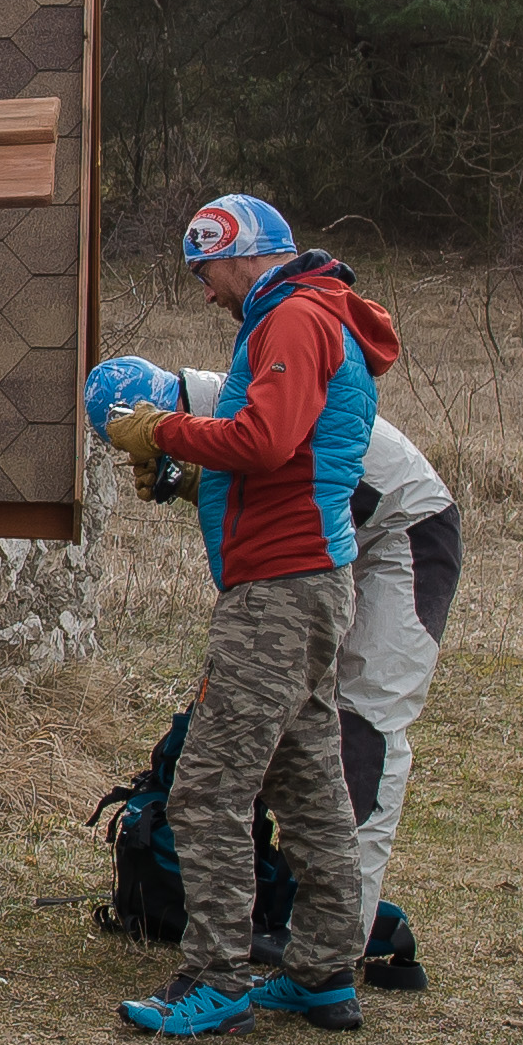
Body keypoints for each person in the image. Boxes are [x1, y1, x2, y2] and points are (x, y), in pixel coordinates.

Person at [94, 194, 399, 1039]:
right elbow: (289, 456)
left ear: (238, 255)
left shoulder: (293, 319)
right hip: (303, 575)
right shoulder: (305, 315)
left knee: (206, 788)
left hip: (277, 587)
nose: (205, 294)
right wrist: (194, 476)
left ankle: (216, 976)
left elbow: (263, 441)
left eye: (205, 273)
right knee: (306, 783)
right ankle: (321, 972)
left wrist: (164, 430)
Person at [135, 355, 461, 968]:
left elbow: (293, 483)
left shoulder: (237, 409)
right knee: (300, 721)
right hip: (340, 538)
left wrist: (191, 465)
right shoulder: (221, 402)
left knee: (369, 719)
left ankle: (344, 940)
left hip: (406, 529)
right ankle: (301, 913)